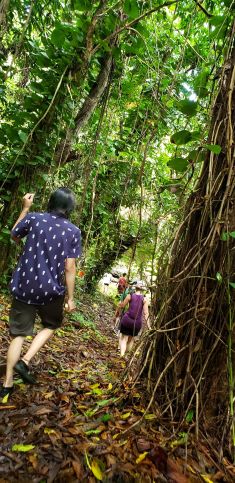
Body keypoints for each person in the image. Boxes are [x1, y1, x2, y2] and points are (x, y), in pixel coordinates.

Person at [0, 188, 81, 399]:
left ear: (51, 202)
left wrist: (25, 209)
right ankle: (24, 361)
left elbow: (15, 235)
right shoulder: (73, 231)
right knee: (51, 325)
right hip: (51, 290)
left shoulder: (34, 219)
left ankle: (7, 385)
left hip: (25, 285)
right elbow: (70, 267)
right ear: (70, 208)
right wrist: (70, 298)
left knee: (18, 334)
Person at [118, 284, 150, 357]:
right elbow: (146, 313)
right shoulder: (144, 299)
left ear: (135, 288)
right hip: (137, 323)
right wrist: (149, 326)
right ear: (142, 290)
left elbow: (122, 305)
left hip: (127, 320)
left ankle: (122, 354)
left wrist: (120, 304)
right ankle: (125, 355)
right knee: (131, 339)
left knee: (124, 338)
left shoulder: (130, 295)